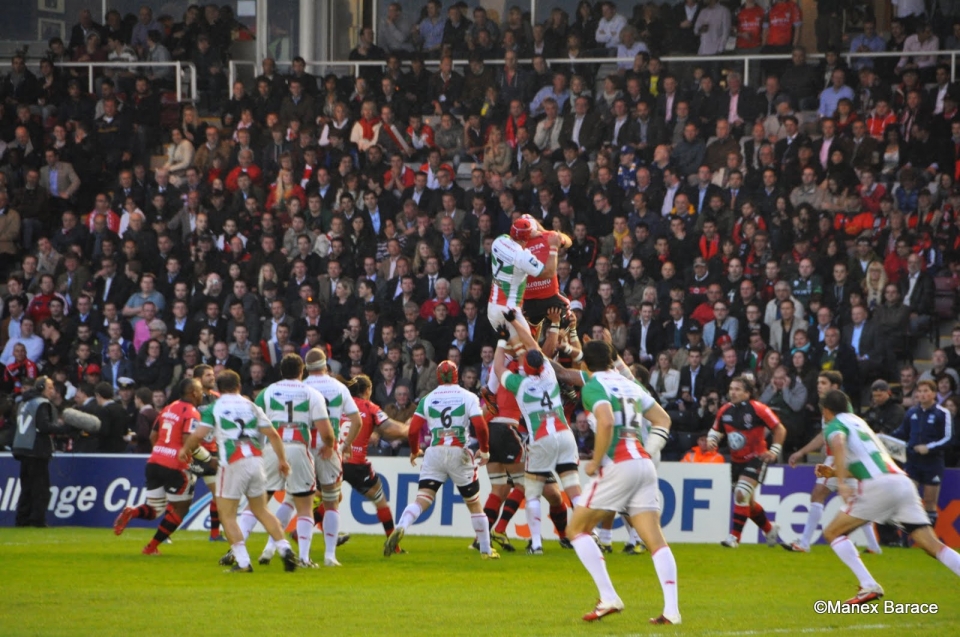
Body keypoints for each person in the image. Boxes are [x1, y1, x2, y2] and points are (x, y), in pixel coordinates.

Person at [556, 340, 679, 624]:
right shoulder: (629, 384)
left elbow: (607, 422)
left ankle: (609, 596)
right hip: (643, 462)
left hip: (618, 464)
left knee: (576, 529)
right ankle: (672, 611)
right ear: (613, 361)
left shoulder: (593, 387)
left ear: (585, 365)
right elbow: (663, 419)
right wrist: (650, 448)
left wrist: (596, 461)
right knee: (655, 540)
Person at [818, 389, 960, 605]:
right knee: (931, 544)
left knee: (832, 532)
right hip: (901, 482)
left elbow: (838, 442)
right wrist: (837, 472)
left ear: (826, 411)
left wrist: (839, 484)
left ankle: (868, 585)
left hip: (879, 486)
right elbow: (864, 462)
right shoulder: (859, 422)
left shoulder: (834, 425)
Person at [179, 370, 299, 573]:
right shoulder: (250, 405)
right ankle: (285, 548)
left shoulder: (214, 407)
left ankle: (243, 563)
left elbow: (198, 434)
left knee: (227, 515)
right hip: (255, 460)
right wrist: (282, 460)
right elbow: (273, 435)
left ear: (218, 388)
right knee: (261, 510)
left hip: (233, 462)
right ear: (239, 386)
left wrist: (185, 449)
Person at [384, 360, 496, 559]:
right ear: (457, 375)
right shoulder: (467, 396)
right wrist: (485, 450)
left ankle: (402, 525)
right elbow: (480, 426)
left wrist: (414, 450)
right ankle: (486, 550)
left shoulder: (428, 398)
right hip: (458, 451)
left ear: (438, 377)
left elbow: (413, 430)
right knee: (474, 504)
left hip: (434, 451)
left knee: (422, 499)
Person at [494, 315, 581, 555]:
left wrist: (503, 340)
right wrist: (517, 323)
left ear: (524, 367)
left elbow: (499, 368)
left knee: (531, 492)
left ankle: (537, 543)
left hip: (541, 439)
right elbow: (533, 348)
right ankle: (588, 535)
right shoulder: (549, 375)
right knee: (573, 488)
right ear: (542, 364)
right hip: (564, 435)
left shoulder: (519, 384)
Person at [785, 371, 882, 553]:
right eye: (818, 382)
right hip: (847, 458)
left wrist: (836, 460)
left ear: (835, 387)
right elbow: (824, 435)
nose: (819, 386)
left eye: (823, 383)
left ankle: (804, 543)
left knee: (818, 494)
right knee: (855, 501)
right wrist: (802, 452)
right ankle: (874, 546)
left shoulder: (842, 408)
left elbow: (838, 437)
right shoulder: (831, 408)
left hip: (841, 457)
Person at [113, 378, 212, 554]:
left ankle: (133, 512)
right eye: (199, 391)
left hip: (154, 462)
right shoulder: (191, 412)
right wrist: (207, 458)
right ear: (193, 393)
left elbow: (153, 434)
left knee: (155, 509)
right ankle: (151, 547)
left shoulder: (168, 408)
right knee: (180, 510)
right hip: (176, 466)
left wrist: (161, 451)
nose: (201, 394)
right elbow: (187, 440)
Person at [254, 354, 335, 567]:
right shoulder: (311, 393)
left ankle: (240, 550)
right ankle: (304, 558)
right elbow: (326, 431)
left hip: (272, 448)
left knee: (260, 501)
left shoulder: (267, 392)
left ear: (281, 371)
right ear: (302, 372)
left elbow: (254, 423)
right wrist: (330, 444)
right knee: (305, 505)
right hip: (299, 448)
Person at [707, 375, 786, 548]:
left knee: (741, 493)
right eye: (731, 389)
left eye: (737, 389)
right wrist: (711, 439)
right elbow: (715, 430)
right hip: (737, 462)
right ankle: (770, 530)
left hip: (757, 458)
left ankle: (734, 538)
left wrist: (774, 450)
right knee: (747, 503)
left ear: (747, 393)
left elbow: (779, 428)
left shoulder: (759, 409)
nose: (733, 392)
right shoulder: (724, 410)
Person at [301, 347, 362, 561]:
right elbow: (357, 421)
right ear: (326, 365)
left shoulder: (302, 387)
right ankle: (329, 555)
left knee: (302, 502)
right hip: (330, 449)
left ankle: (300, 554)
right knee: (331, 500)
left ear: (306, 368)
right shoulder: (338, 387)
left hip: (305, 449)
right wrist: (346, 445)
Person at [340, 374, 409, 543]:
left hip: (336, 460)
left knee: (327, 498)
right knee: (380, 499)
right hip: (357, 465)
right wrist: (408, 428)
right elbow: (391, 429)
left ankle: (299, 531)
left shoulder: (340, 406)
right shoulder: (369, 407)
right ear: (368, 390)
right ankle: (394, 545)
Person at [891, 380, 954, 534]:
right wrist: (884, 438)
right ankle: (905, 539)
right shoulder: (912, 412)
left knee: (930, 502)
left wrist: (929, 448)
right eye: (920, 391)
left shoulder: (942, 413)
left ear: (933, 394)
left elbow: (949, 438)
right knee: (908, 498)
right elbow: (902, 433)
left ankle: (929, 537)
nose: (922, 394)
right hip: (913, 461)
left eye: (926, 391)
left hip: (932, 462)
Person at [12, 376, 74, 527]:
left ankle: (22, 518)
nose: (53, 391)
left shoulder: (24, 402)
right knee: (40, 487)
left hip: (22, 447)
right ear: (41, 388)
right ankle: (37, 520)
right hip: (36, 449)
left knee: (26, 487)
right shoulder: (42, 403)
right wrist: (66, 429)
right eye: (50, 387)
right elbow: (44, 427)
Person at [488, 217, 559, 338]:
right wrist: (553, 248)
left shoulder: (499, 240)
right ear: (527, 236)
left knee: (510, 350)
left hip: (493, 307)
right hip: (510, 309)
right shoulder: (522, 256)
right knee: (529, 350)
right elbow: (549, 272)